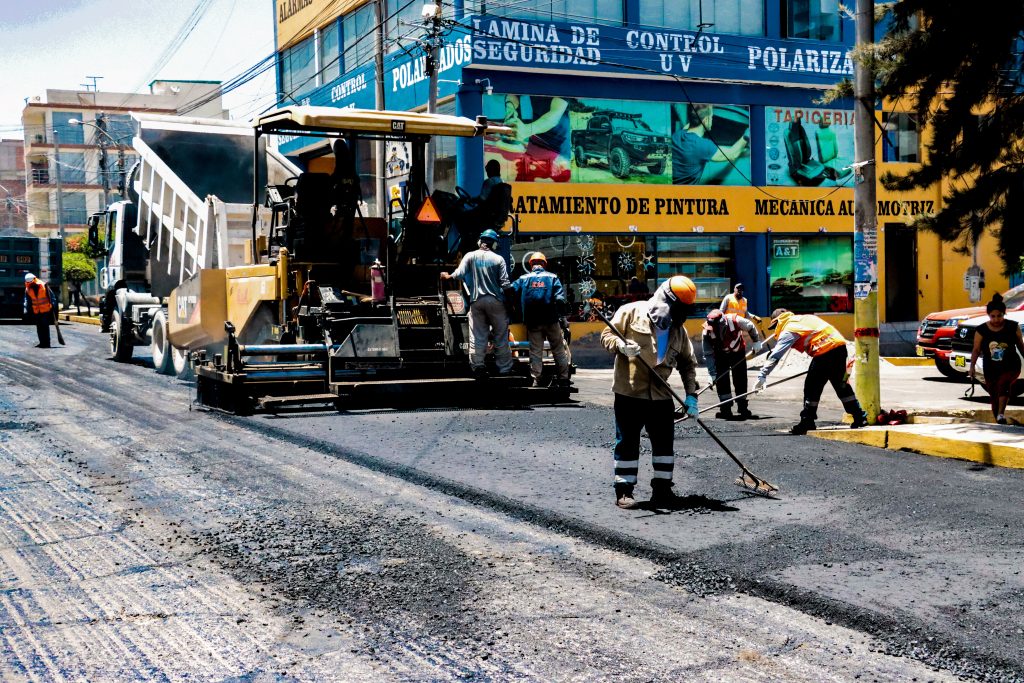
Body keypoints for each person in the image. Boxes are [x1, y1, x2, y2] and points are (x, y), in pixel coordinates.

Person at [600, 276, 700, 510]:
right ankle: (624, 490)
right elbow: (607, 336)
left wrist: (691, 396)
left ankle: (663, 491)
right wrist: (621, 347)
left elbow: (687, 363)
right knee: (627, 442)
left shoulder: (678, 330)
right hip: (629, 393)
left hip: (661, 396)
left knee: (664, 445)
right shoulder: (631, 312)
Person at [754, 308, 868, 434]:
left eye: (774, 326)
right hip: (839, 347)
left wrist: (762, 375)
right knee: (841, 385)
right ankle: (859, 416)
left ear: (777, 322)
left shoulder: (789, 328)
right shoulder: (803, 318)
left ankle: (807, 421)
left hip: (825, 351)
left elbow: (776, 355)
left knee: (811, 386)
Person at [441, 229, 514, 378]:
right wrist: (511, 304)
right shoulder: (498, 259)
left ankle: (478, 366)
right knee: (500, 336)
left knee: (477, 336)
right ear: (493, 243)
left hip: (477, 302)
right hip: (496, 302)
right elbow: (506, 284)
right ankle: (504, 369)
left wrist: (447, 276)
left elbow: (458, 274)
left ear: (480, 241)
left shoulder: (470, 256)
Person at [511, 251, 571, 387]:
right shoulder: (553, 277)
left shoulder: (523, 278)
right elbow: (560, 299)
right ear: (544, 264)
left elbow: (510, 291)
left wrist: (514, 308)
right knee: (558, 349)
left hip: (533, 322)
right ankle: (563, 379)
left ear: (531, 264)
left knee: (535, 351)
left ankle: (536, 380)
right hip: (551, 320)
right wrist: (563, 318)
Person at [970, 293, 1024, 424]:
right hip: (990, 367)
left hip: (1011, 364)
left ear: (1004, 314)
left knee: (1003, 384)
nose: (996, 319)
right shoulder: (981, 330)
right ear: (988, 315)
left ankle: (1000, 414)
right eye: (993, 316)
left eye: (999, 316)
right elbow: (976, 350)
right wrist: (972, 367)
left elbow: (1021, 346)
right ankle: (999, 420)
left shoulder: (1013, 327)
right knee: (994, 394)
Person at [702, 309, 764, 420]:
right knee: (722, 380)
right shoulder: (707, 331)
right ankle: (725, 409)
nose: (713, 329)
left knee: (740, 379)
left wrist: (756, 341)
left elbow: (750, 326)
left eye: (715, 327)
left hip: (737, 352)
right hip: (720, 355)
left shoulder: (735, 320)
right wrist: (711, 374)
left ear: (722, 323)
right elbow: (708, 354)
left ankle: (742, 407)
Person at [671, 103, 748, 185]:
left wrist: (706, 108)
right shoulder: (702, 146)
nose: (712, 120)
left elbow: (690, 124)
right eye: (711, 117)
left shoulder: (676, 136)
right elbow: (732, 154)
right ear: (706, 120)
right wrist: (747, 134)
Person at [23, 272, 58, 348]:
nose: (29, 284)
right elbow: (27, 300)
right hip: (36, 311)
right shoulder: (28, 288)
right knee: (39, 327)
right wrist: (26, 309)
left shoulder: (43, 285)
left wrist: (53, 306)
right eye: (28, 283)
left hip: (45, 310)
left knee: (45, 326)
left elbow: (52, 297)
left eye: (30, 282)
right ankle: (42, 342)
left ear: (34, 280)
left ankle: (47, 343)